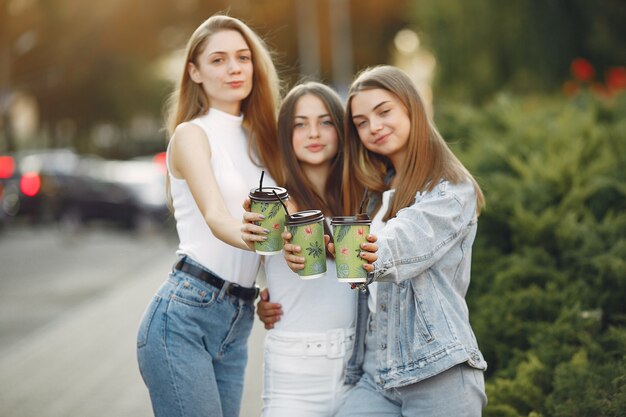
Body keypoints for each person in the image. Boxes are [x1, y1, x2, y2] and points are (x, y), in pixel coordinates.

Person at [284, 65, 488, 416]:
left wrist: (361, 251)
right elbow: (342, 243)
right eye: (361, 122)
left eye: (383, 112)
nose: (373, 127)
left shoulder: (451, 190)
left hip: (436, 370)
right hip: (376, 371)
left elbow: (404, 240)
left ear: (412, 108)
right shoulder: (375, 194)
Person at [136, 14, 283, 417]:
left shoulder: (264, 141)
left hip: (238, 319)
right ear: (194, 71)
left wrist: (274, 285)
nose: (234, 68)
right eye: (218, 60)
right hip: (185, 316)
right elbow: (218, 218)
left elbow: (279, 223)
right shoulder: (191, 135)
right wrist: (260, 236)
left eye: (242, 57)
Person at [241, 81, 378, 417]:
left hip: (361, 368)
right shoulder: (273, 201)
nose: (313, 133)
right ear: (286, 136)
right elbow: (244, 260)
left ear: (341, 129)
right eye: (300, 124)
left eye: (325, 122)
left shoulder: (366, 197)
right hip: (294, 371)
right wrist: (263, 293)